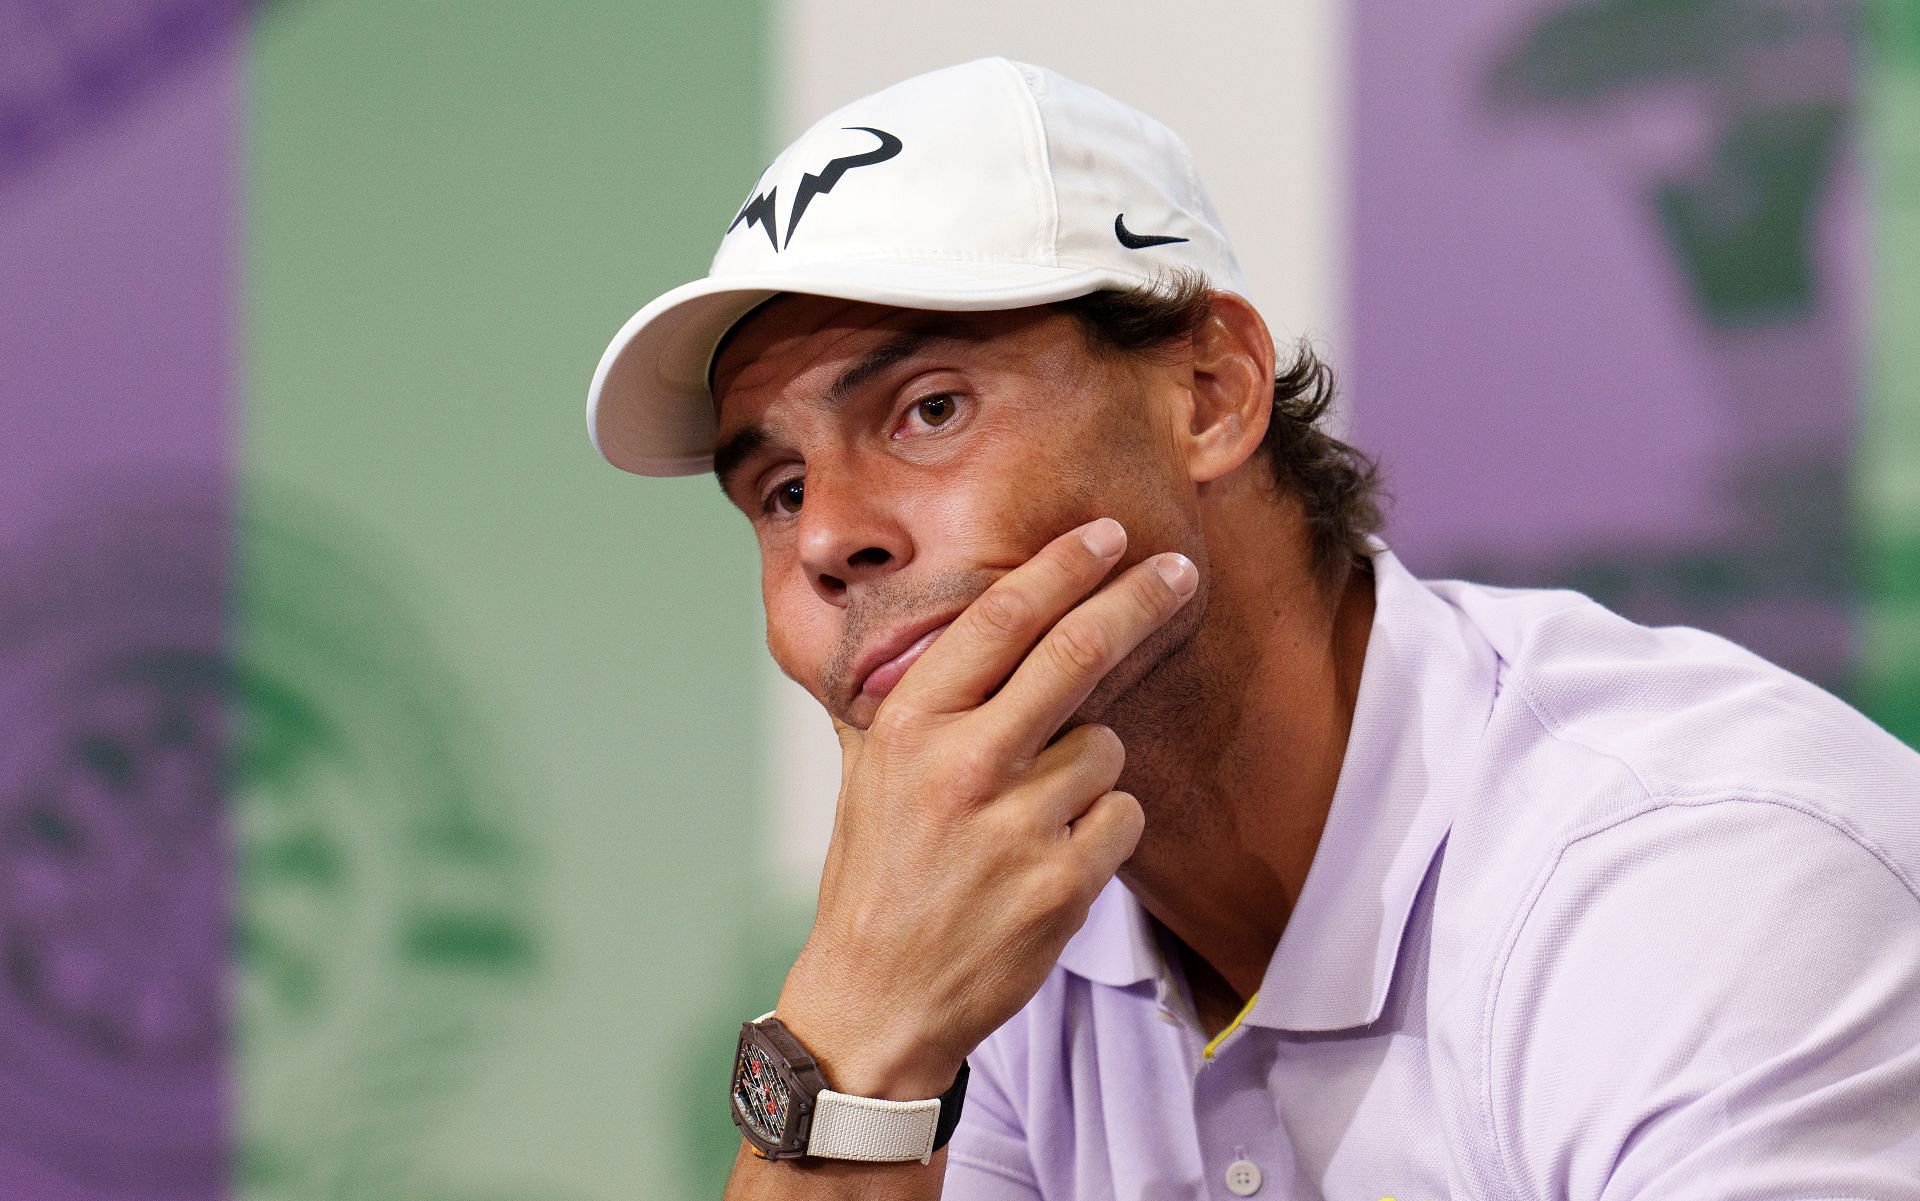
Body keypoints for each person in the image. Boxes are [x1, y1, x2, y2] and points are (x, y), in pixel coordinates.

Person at [587, 58, 1920, 1200]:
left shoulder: (1689, 874)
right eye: (779, 487)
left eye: (930, 408)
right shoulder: (977, 958)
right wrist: (853, 1031)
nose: (828, 539)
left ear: (1212, 393)